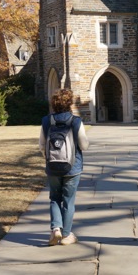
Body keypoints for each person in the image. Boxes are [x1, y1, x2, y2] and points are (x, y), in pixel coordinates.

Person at [39, 89, 89, 246]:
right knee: (69, 200)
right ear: (70, 104)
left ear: (53, 104)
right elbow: (84, 145)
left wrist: (49, 159)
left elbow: (41, 145)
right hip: (72, 167)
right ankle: (66, 235)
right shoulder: (76, 121)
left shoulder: (47, 121)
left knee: (54, 198)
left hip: (53, 166)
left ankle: (55, 229)